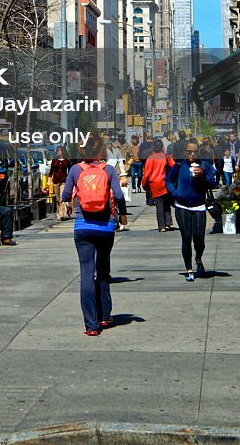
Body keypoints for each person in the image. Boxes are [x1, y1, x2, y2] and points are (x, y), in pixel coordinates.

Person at [61, 133, 128, 336]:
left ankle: (91, 325)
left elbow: (65, 196)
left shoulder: (75, 170)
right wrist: (123, 217)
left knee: (86, 274)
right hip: (105, 227)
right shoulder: (108, 170)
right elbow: (118, 195)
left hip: (83, 227)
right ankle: (105, 316)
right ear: (100, 151)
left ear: (82, 151)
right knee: (104, 270)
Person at [166, 139, 217, 282]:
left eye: (195, 151)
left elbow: (213, 183)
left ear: (199, 152)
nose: (192, 154)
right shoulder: (179, 166)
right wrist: (175, 193)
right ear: (185, 152)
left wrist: (202, 177)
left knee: (199, 238)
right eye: (189, 152)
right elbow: (168, 180)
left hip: (199, 206)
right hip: (182, 205)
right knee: (186, 237)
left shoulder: (205, 166)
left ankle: (198, 258)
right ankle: (189, 269)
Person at [142, 139, 174, 231]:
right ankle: (168, 223)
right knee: (167, 203)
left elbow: (146, 174)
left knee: (159, 205)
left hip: (155, 184)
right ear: (162, 147)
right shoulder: (166, 156)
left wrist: (144, 185)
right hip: (165, 182)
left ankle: (161, 226)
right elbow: (174, 167)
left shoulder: (150, 158)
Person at [49, 147, 72, 221]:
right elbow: (51, 171)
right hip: (55, 181)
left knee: (62, 198)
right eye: (57, 151)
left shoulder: (67, 161)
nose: (58, 152)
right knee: (58, 198)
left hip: (64, 181)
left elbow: (70, 171)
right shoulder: (54, 161)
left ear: (63, 152)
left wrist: (70, 180)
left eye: (59, 151)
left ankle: (63, 214)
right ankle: (58, 212)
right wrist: (49, 180)